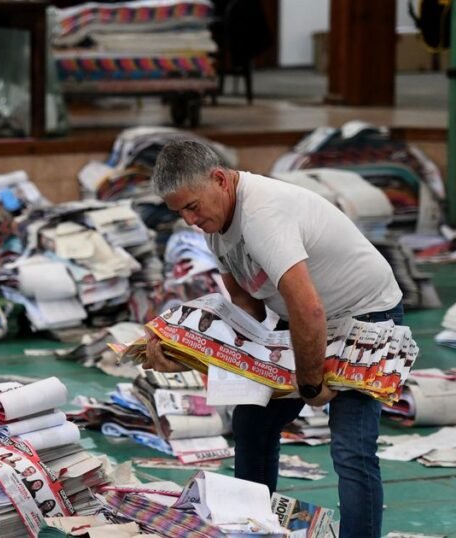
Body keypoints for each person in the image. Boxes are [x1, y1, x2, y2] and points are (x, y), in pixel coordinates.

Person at [143, 140, 403, 538]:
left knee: (352, 448)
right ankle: (252, 528)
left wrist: (310, 385)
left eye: (192, 207)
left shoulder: (262, 214)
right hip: (300, 318)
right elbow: (248, 312)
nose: (190, 220)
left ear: (220, 179)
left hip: (364, 316)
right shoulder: (215, 224)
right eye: (180, 213)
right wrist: (188, 353)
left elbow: (308, 308)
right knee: (253, 421)